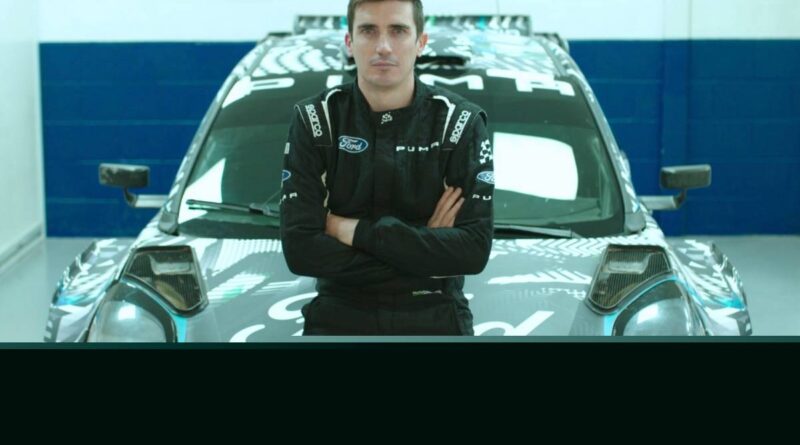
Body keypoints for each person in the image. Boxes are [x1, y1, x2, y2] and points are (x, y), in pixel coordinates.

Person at [280, 0, 494, 335]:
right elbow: (300, 251)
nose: (383, 46)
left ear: (420, 42)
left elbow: (473, 251)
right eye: (368, 30)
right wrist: (425, 251)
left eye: (398, 30)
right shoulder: (315, 120)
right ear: (349, 42)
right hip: (338, 317)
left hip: (436, 314)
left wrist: (350, 230)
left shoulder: (460, 122)